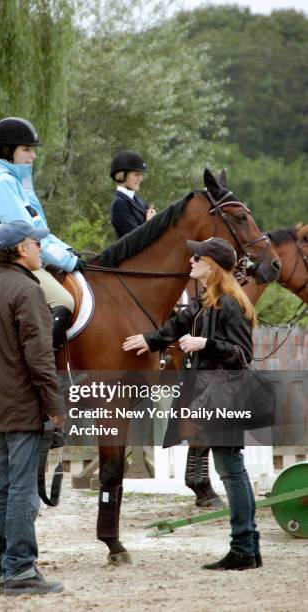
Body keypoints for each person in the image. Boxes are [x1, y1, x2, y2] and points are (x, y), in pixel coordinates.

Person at [123, 237, 262, 571]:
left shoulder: (230, 303)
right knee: (231, 470)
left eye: (197, 256)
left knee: (231, 471)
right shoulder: (203, 302)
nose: (190, 260)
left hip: (225, 396)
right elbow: (176, 326)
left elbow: (243, 356)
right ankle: (248, 548)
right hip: (212, 395)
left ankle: (244, 549)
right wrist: (148, 340)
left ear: (211, 264)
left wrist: (205, 343)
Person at [0, 220, 66, 596]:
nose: (41, 250)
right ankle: (21, 571)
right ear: (21, 249)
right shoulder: (28, 290)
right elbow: (40, 357)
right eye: (36, 244)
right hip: (20, 406)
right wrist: (54, 404)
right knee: (22, 491)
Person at [0, 116, 85, 348]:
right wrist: (67, 261)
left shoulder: (14, 182)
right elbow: (27, 235)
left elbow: (41, 232)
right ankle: (39, 369)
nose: (33, 156)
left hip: (31, 259)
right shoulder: (1, 183)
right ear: (7, 151)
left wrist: (69, 253)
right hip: (17, 263)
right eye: (27, 150)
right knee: (64, 301)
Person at [109, 151, 156, 238]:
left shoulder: (137, 199)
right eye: (136, 175)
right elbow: (136, 239)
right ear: (122, 176)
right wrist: (150, 222)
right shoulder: (119, 204)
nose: (140, 179)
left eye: (141, 175)